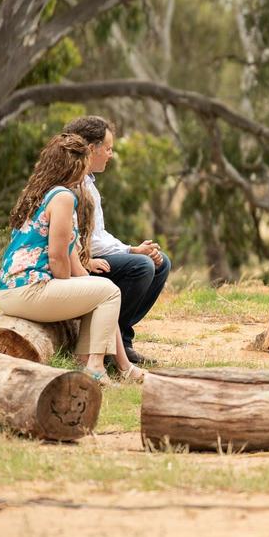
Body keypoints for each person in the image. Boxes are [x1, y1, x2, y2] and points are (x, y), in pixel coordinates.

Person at [0, 134, 144, 385]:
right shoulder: (63, 197)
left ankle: (108, 364)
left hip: (10, 290)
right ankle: (95, 368)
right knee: (108, 291)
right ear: (76, 164)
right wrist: (69, 284)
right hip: (29, 290)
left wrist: (82, 284)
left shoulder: (40, 193)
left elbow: (70, 255)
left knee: (100, 290)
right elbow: (56, 257)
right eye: (85, 162)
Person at [63, 115, 170, 365]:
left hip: (91, 255)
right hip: (77, 263)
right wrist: (133, 253)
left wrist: (131, 248)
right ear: (91, 149)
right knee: (142, 266)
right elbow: (88, 243)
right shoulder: (73, 184)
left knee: (160, 263)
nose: (110, 155)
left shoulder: (88, 183)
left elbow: (98, 234)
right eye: (108, 149)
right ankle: (108, 345)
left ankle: (122, 338)